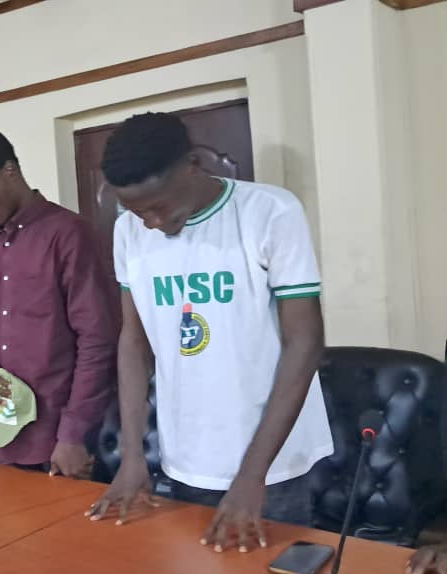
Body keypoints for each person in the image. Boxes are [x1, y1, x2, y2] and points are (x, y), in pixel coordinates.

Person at [85, 112, 333, 552]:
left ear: (192, 165)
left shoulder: (271, 212)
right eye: (138, 211)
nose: (151, 223)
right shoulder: (128, 232)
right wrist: (132, 454)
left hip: (273, 464)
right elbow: (134, 343)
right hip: (186, 458)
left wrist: (252, 475)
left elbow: (305, 342)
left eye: (159, 206)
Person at [0, 125, 117, 477]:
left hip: (61, 438)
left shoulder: (69, 234)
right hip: (0, 431)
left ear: (10, 171)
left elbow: (96, 338)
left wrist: (73, 434)